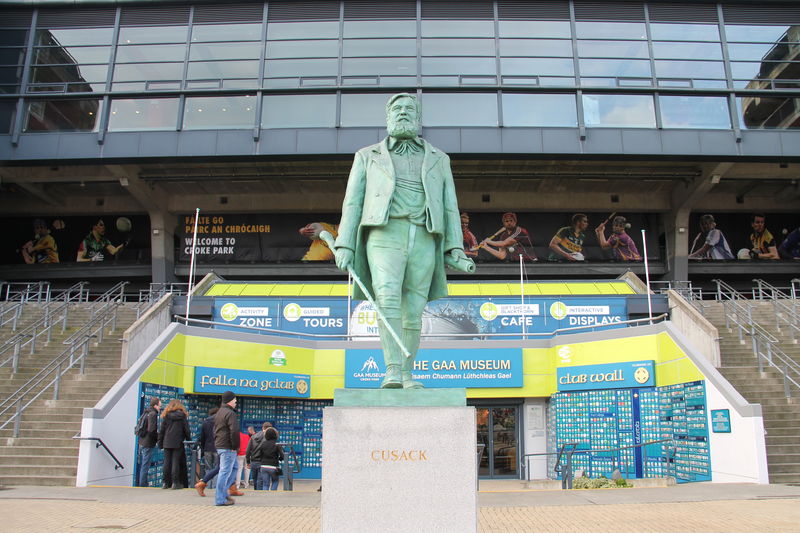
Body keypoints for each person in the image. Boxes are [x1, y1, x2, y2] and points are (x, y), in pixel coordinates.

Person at [332, 93, 472, 389]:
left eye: (410, 109)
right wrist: (345, 243)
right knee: (387, 299)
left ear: (419, 119)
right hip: (384, 234)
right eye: (397, 109)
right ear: (388, 117)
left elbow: (450, 206)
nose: (404, 113)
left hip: (424, 234)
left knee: (414, 308)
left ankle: (408, 374)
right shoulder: (366, 156)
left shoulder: (439, 158)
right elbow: (352, 203)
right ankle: (392, 371)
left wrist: (455, 248)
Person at [213, 391, 241, 506]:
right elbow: (234, 431)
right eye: (235, 400)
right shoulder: (230, 413)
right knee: (225, 471)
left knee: (234, 468)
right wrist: (235, 446)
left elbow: (215, 429)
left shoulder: (219, 412)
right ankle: (220, 499)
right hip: (228, 446)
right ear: (230, 400)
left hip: (221, 445)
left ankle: (224, 493)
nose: (236, 402)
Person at [157, 399, 190, 490]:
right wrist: (189, 439)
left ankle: (165, 483)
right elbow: (186, 429)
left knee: (166, 462)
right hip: (178, 441)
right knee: (175, 462)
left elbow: (162, 431)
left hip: (167, 442)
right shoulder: (182, 416)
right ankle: (175, 483)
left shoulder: (166, 416)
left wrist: (160, 443)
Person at [193, 407, 218, 496]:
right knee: (217, 468)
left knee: (208, 468)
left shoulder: (205, 422)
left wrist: (203, 449)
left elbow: (202, 437)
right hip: (217, 448)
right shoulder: (219, 421)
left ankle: (208, 486)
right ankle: (215, 487)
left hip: (207, 448)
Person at [136, 397, 160, 487]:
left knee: (144, 463)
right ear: (155, 405)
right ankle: (143, 484)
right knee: (145, 464)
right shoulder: (153, 414)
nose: (160, 407)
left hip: (142, 441)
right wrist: (157, 438)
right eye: (159, 405)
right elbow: (151, 429)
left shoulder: (147, 412)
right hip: (148, 442)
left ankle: (143, 483)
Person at [245, 422, 276, 491]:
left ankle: (256, 492)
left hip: (253, 461)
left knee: (255, 480)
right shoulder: (268, 438)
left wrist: (248, 461)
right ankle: (259, 495)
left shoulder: (253, 436)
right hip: (263, 462)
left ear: (262, 427)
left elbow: (248, 450)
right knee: (260, 480)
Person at [257, 427, 284, 491]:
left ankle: (265, 497)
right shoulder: (277, 444)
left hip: (263, 466)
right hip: (273, 466)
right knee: (275, 481)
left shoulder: (263, 444)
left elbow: (259, 455)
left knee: (265, 484)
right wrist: (279, 459)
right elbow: (282, 455)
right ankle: (272, 495)